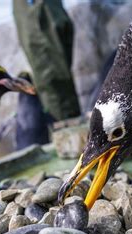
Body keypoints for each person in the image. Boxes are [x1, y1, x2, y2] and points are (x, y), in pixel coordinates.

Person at [12, 0, 81, 148]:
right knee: (52, 79)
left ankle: (73, 143)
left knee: (56, 77)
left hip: (42, 7)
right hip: (35, 8)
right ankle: (71, 145)